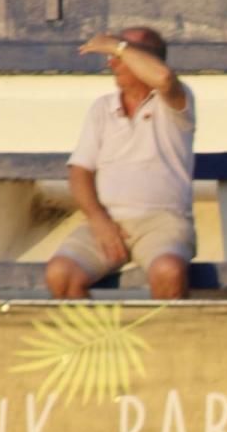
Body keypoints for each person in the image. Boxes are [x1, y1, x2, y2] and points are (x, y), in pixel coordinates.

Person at [45, 28, 196, 300]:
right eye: (112, 55)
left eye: (120, 54)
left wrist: (116, 45)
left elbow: (162, 78)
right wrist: (98, 219)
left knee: (168, 271)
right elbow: (80, 171)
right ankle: (88, 342)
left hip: (162, 221)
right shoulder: (102, 108)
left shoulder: (175, 100)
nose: (112, 62)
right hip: (107, 221)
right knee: (60, 274)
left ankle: (169, 342)